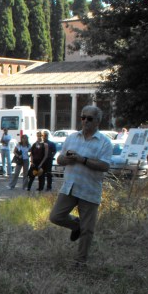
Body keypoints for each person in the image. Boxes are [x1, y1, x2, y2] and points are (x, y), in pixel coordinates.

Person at [49, 105, 112, 266]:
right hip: (70, 186)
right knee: (55, 216)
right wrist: (67, 159)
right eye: (83, 117)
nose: (85, 121)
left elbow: (105, 166)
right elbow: (60, 159)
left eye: (89, 118)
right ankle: (76, 225)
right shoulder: (72, 138)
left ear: (97, 121)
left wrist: (82, 159)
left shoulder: (104, 142)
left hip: (89, 189)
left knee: (87, 229)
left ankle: (80, 261)